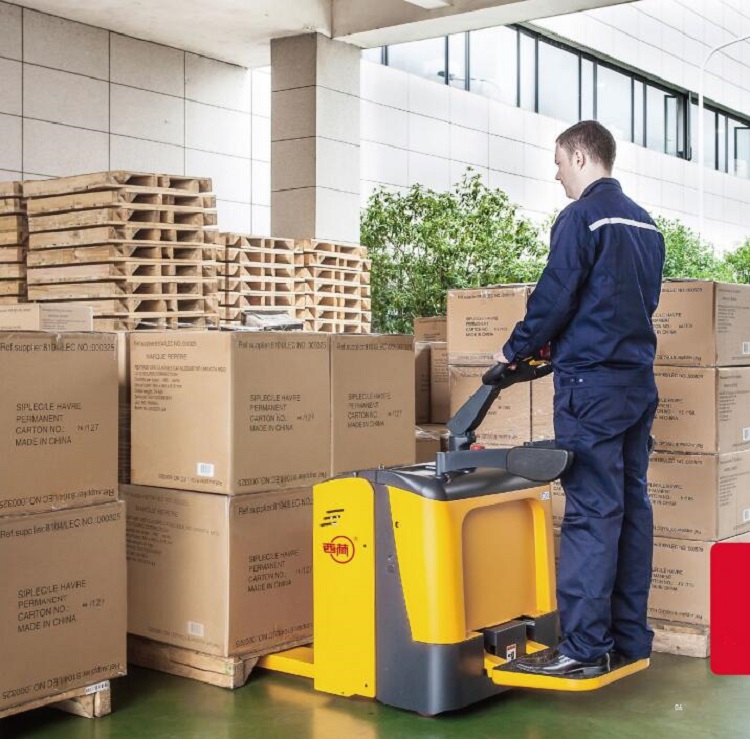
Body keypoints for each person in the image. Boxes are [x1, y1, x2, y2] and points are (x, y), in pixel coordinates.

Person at [495, 120, 665, 677]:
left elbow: (555, 295)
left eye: (559, 162)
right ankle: (630, 640)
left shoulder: (581, 217)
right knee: (631, 508)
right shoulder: (645, 224)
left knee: (592, 513)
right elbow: (641, 303)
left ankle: (585, 649)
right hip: (636, 383)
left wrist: (515, 350)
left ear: (581, 157)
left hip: (590, 388)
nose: (557, 174)